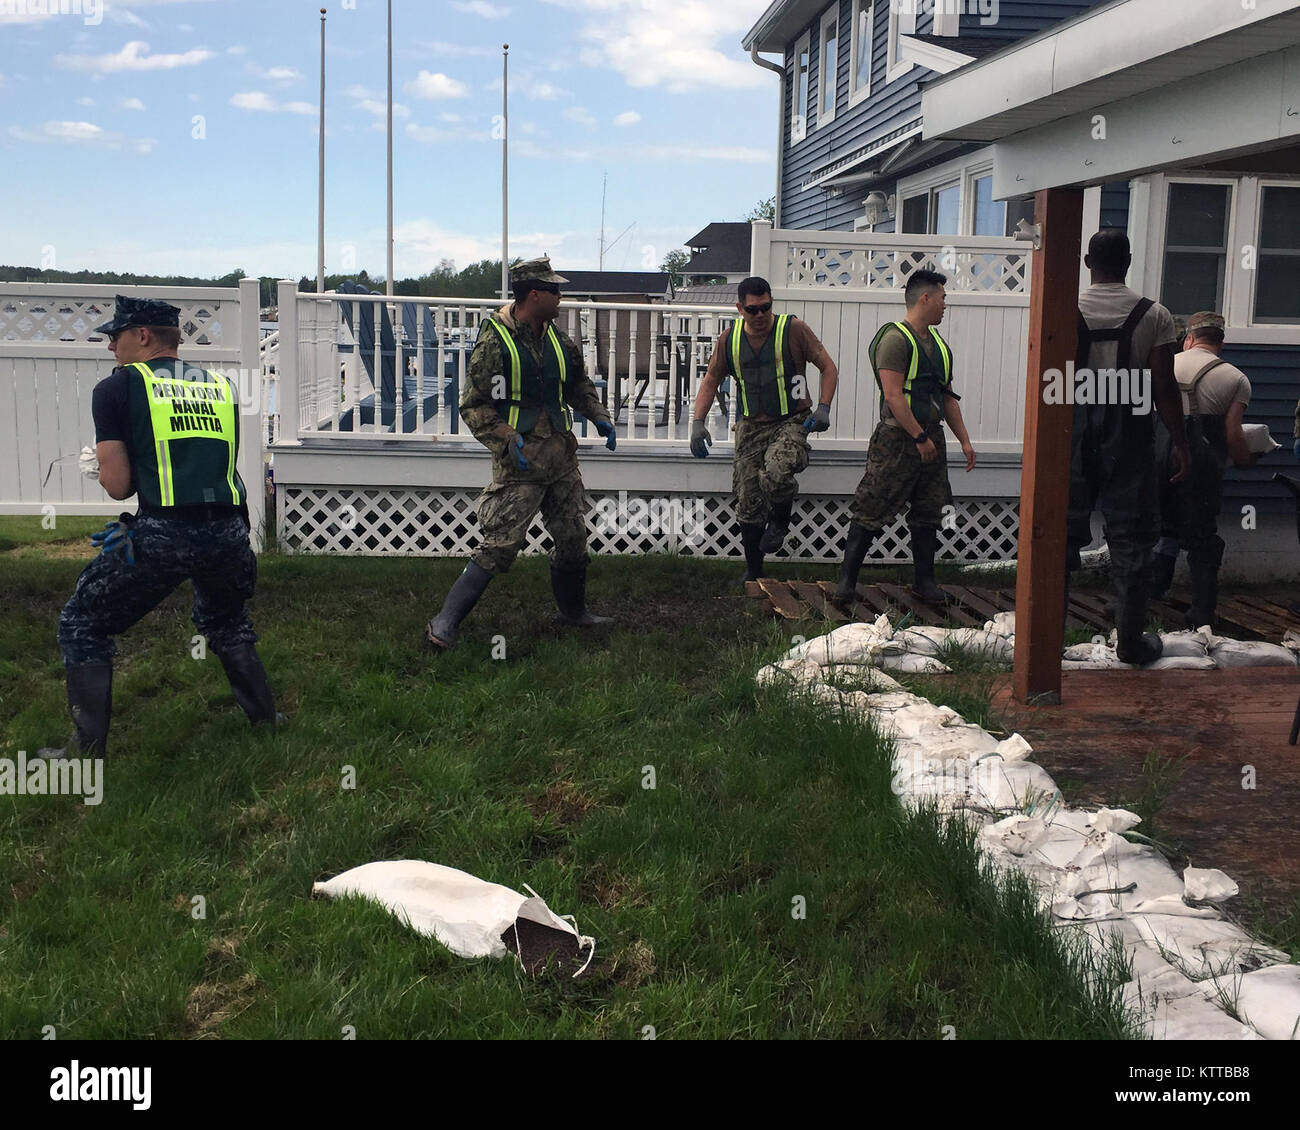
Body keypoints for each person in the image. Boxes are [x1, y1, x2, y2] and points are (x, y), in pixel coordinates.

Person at [53, 295, 279, 756]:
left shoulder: (116, 389)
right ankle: (266, 720)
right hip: (230, 532)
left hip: (165, 532)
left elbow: (118, 487)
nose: (110, 346)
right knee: (226, 619)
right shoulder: (219, 385)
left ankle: (86, 747)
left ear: (142, 335)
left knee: (81, 621)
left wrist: (98, 468)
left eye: (116, 336)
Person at [426, 257, 618, 649]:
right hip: (520, 462)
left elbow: (577, 384)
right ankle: (445, 620)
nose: (561, 297)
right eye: (555, 291)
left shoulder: (559, 339)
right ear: (534, 294)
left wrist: (599, 416)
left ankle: (573, 612)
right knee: (501, 544)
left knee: (572, 536)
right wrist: (505, 436)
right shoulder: (495, 340)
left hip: (561, 459)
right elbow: (473, 404)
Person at [1067, 230, 1189, 665]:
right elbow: (1163, 386)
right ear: (1129, 261)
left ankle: (1045, 636)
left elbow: (1046, 372)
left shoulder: (1064, 309)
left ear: (1087, 262)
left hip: (1071, 423)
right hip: (1131, 427)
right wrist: (1179, 441)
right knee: (1133, 537)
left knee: (1060, 530)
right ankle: (1132, 641)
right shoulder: (1155, 314)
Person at [832, 269, 976, 606]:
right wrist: (918, 437)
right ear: (925, 298)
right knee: (871, 506)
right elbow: (894, 395)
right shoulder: (895, 340)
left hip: (932, 438)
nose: (945, 305)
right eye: (942, 298)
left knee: (930, 511)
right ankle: (846, 584)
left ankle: (924, 583)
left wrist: (964, 441)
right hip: (898, 440)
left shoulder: (939, 346)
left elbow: (947, 398)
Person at [689, 276, 839, 580]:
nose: (760, 315)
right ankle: (754, 570)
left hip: (792, 419)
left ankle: (781, 521)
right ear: (739, 308)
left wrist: (823, 407)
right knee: (747, 496)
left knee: (777, 471)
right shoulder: (729, 339)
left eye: (765, 308)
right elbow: (710, 380)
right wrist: (697, 422)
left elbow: (828, 367)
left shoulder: (793, 329)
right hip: (750, 424)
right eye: (752, 309)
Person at [1151, 311, 1257, 629]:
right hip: (1201, 465)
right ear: (1219, 342)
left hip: (1156, 457)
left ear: (1190, 339)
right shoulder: (1236, 378)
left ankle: (1145, 598)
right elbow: (1234, 434)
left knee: (1156, 527)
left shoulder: (1163, 366)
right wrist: (1245, 461)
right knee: (1202, 538)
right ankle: (1201, 614)